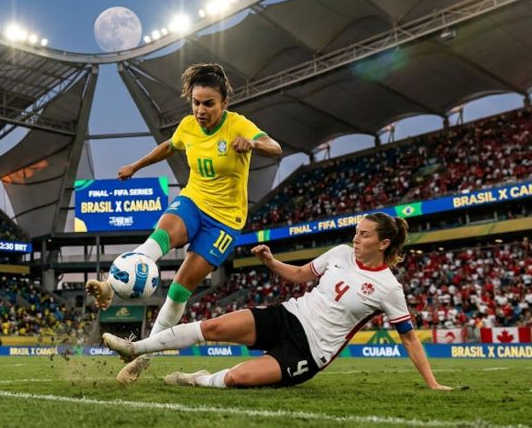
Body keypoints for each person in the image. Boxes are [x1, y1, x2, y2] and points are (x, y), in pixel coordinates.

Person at [86, 63, 282, 384]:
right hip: (193, 201)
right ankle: (110, 285)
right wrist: (135, 166)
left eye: (208, 103)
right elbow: (169, 146)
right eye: (195, 102)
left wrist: (254, 144)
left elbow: (275, 147)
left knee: (178, 291)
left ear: (223, 104)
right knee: (161, 236)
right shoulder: (189, 126)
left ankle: (141, 359)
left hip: (224, 222)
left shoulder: (237, 125)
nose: (200, 110)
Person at [103, 213, 452, 391]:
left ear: (384, 243)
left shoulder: (388, 288)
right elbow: (301, 276)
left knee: (237, 380)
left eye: (364, 234)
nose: (355, 238)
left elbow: (408, 338)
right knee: (212, 327)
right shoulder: (341, 253)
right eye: (357, 232)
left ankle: (194, 379)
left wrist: (433, 383)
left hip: (309, 352)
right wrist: (271, 262)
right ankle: (135, 350)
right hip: (288, 315)